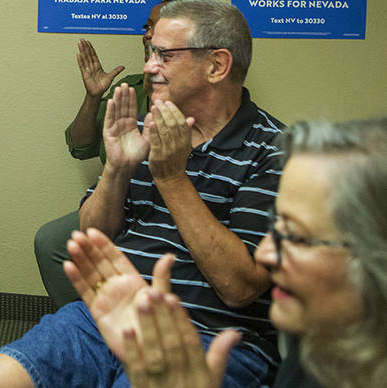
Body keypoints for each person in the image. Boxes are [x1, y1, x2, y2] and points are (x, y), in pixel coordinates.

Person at [0, 0, 284, 388]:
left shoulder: (273, 151)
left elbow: (240, 288)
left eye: (164, 55)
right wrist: (118, 168)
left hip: (210, 335)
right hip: (114, 314)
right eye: (151, 51)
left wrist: (172, 179)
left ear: (217, 65)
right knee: (0, 376)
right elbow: (92, 235)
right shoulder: (141, 125)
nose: (148, 66)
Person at [64, 117, 387, 388]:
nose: (264, 255)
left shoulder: (263, 147)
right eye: (275, 227)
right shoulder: (313, 357)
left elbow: (240, 286)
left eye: (297, 237)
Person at [36, 0, 204, 308]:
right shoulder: (130, 89)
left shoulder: (201, 94)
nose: (146, 34)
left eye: (156, 26)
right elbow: (80, 147)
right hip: (121, 202)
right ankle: (86, 325)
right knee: (52, 242)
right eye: (147, 26)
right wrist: (93, 96)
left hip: (177, 208)